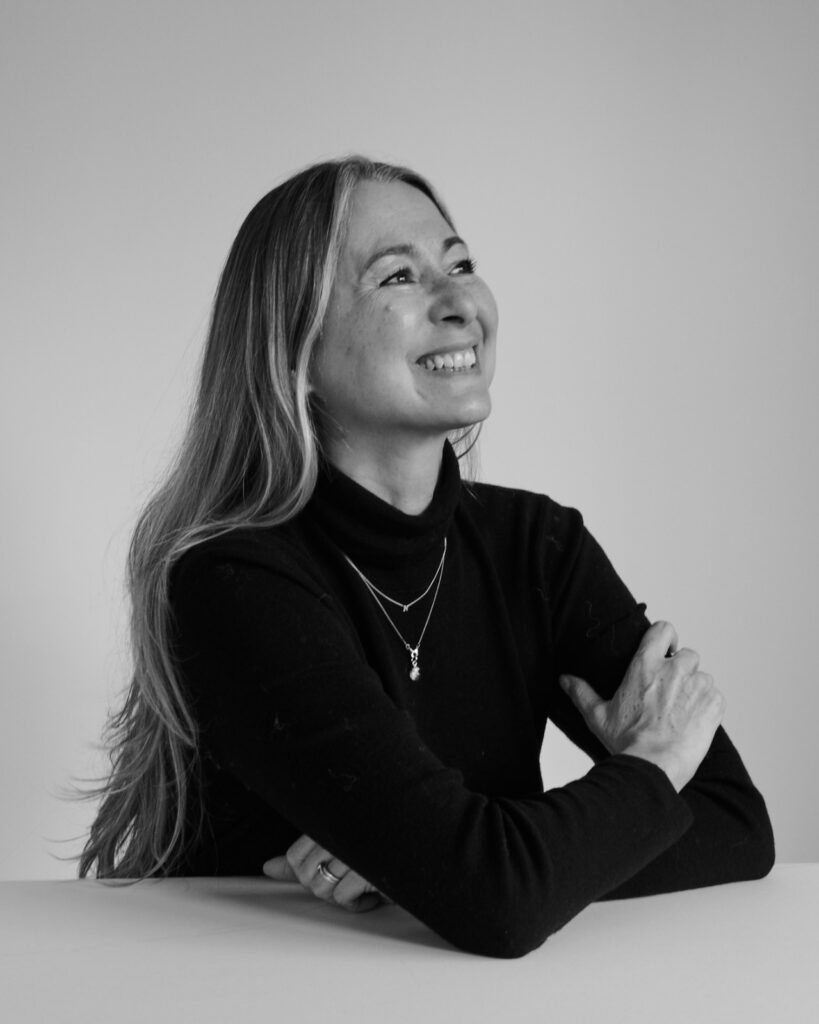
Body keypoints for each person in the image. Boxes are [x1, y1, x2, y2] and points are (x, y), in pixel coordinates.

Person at [79, 156, 775, 958]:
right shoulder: (231, 580)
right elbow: (496, 901)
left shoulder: (538, 546)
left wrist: (433, 863)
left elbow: (733, 824)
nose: (460, 305)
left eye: (461, 264)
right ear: (294, 349)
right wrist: (641, 772)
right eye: (398, 277)